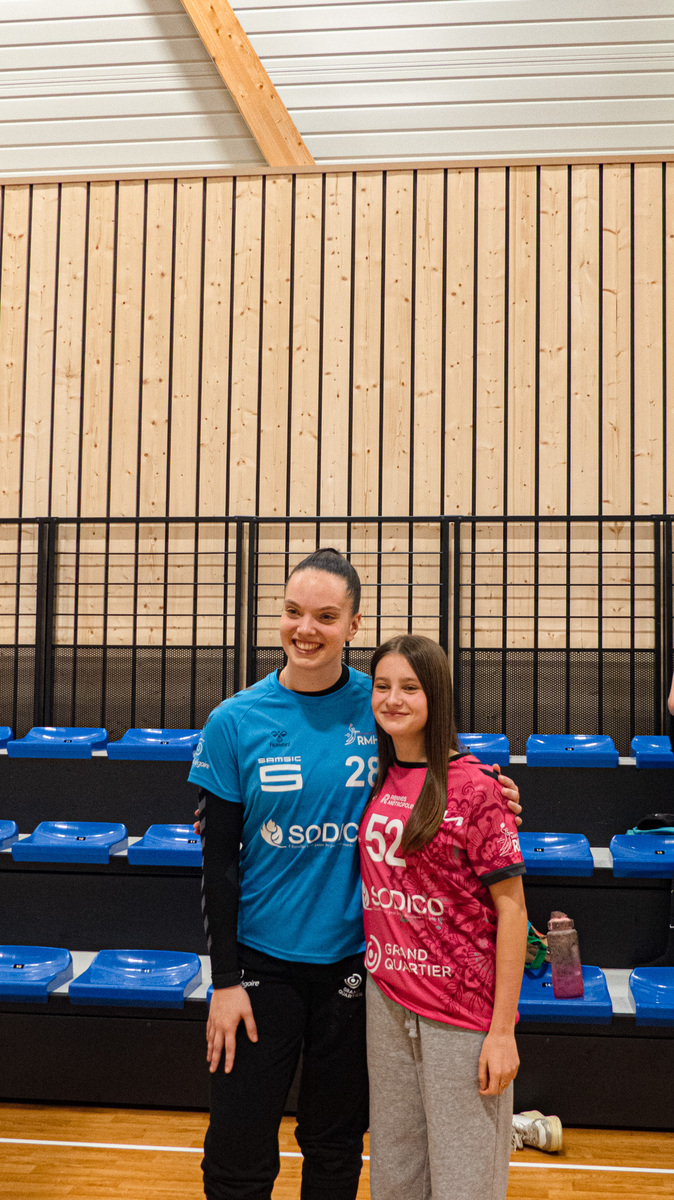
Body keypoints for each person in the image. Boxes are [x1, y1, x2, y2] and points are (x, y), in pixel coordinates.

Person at [188, 548, 524, 1200]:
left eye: (325, 616)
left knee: (336, 1145)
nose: (305, 628)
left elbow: (442, 771)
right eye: (293, 612)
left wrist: (497, 793)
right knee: (237, 1148)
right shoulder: (235, 721)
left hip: (354, 969)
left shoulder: (378, 705)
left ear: (353, 624)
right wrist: (224, 980)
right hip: (261, 968)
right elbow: (218, 862)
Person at [360, 634, 528, 1200]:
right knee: (395, 1179)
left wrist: (502, 1032)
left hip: (461, 1015)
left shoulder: (477, 788)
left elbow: (512, 911)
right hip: (387, 1003)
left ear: (436, 695)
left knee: (465, 1184)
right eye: (382, 686)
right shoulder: (377, 778)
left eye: (409, 687)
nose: (393, 699)